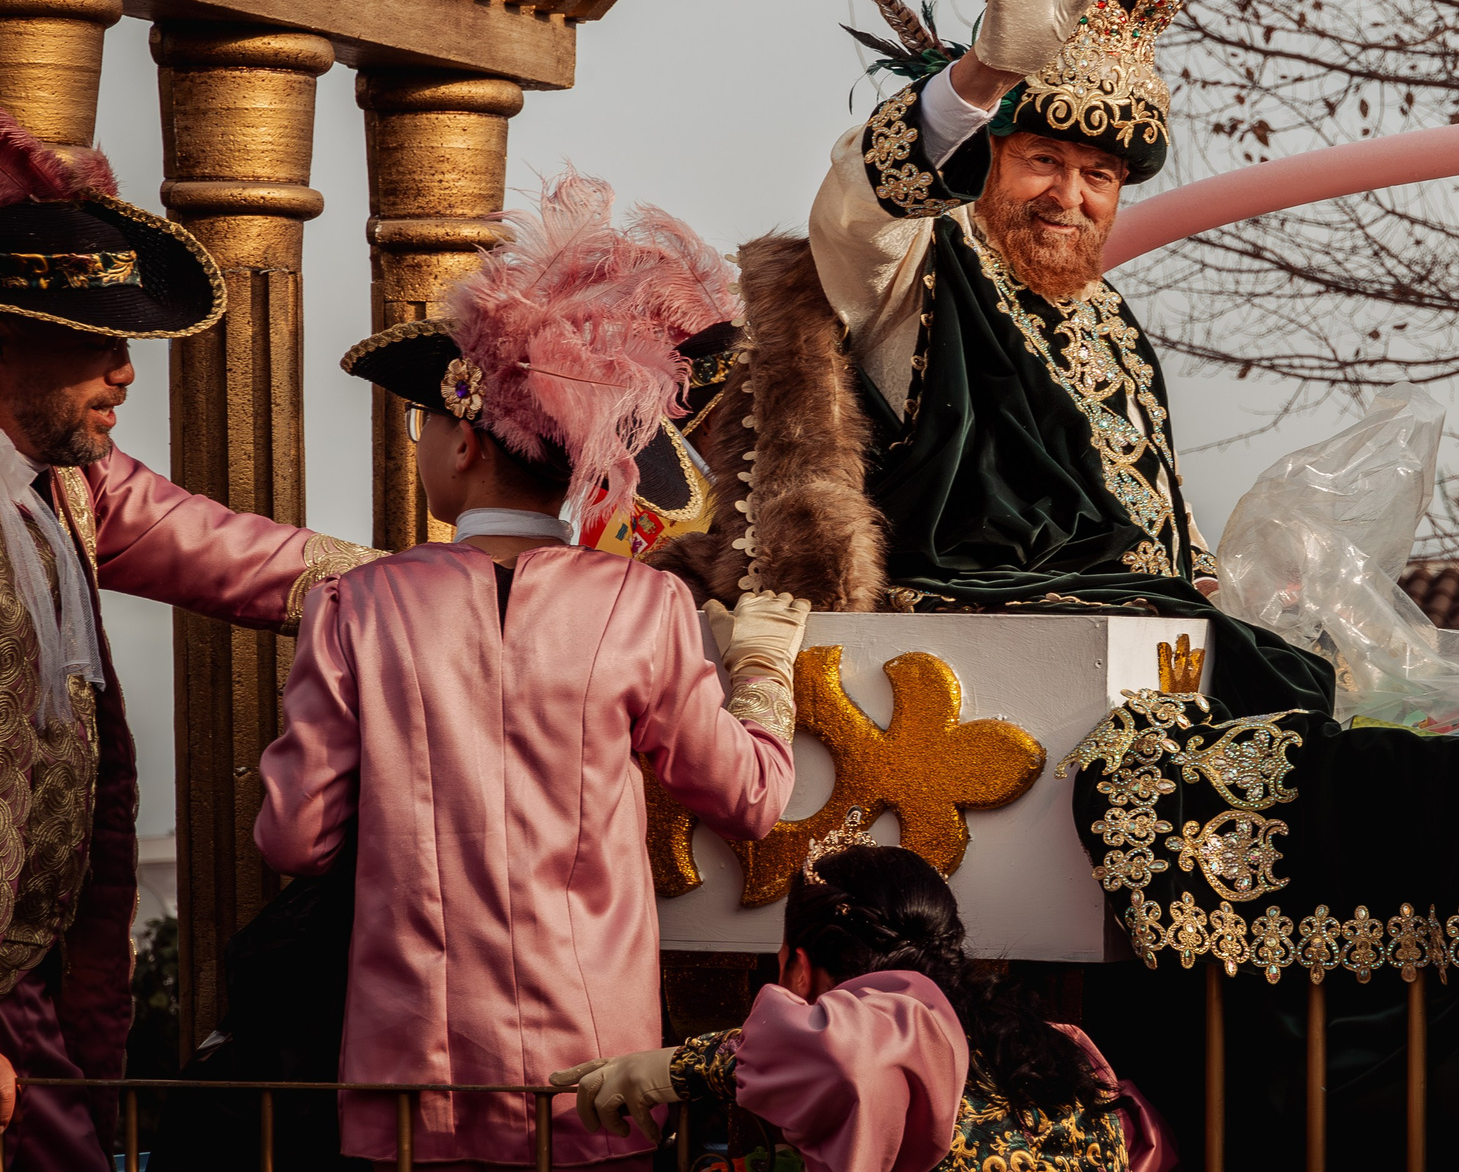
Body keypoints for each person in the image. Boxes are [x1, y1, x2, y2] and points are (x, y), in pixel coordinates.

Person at [646, 0, 1331, 715]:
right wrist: (985, 75)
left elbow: (1155, 515)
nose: (1068, 197)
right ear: (988, 160)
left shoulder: (1110, 321)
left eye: (1099, 176)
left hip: (1139, 633)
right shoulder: (920, 262)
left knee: (1298, 681)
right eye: (1043, 160)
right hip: (978, 645)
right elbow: (856, 208)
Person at [255, 174, 810, 1171]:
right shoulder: (647, 605)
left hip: (409, 1084)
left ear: (464, 438)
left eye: (426, 423)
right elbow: (751, 795)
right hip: (596, 1085)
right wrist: (764, 666)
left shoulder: (357, 605)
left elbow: (294, 836)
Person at [0, 111, 379, 1170]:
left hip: (42, 999)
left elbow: (247, 555)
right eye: (92, 334)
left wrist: (455, 587)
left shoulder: (72, 481)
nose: (127, 370)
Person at [556, 837, 1170, 1172]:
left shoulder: (888, 1036)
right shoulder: (1055, 1046)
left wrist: (680, 1068)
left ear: (797, 967)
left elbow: (846, 1049)